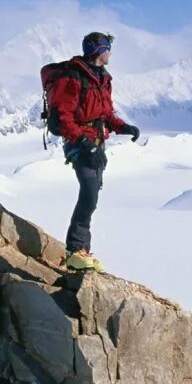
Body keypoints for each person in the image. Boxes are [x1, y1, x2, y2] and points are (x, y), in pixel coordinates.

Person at [47, 31, 140, 272]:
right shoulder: (74, 77)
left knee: (92, 196)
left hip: (97, 142)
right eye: (108, 47)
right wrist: (84, 143)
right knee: (89, 191)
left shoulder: (103, 78)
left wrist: (123, 127)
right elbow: (63, 117)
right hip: (80, 142)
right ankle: (74, 250)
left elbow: (105, 113)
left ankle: (82, 252)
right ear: (99, 50)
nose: (110, 52)